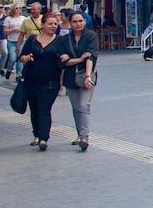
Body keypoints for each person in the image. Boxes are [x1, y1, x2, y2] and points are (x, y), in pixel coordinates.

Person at [18, 15, 63, 151]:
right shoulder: (32, 39)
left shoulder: (60, 41)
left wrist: (61, 85)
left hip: (50, 82)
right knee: (34, 109)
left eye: (55, 24)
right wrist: (25, 58)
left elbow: (63, 62)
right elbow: (22, 56)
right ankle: (36, 135)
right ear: (42, 25)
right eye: (50, 23)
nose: (53, 26)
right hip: (31, 81)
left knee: (44, 109)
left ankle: (44, 138)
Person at [59, 12, 98, 152]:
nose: (78, 24)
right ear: (70, 23)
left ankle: (84, 137)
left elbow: (91, 56)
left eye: (80, 21)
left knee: (84, 106)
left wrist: (87, 76)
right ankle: (80, 134)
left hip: (85, 76)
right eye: (75, 21)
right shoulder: (64, 40)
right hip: (70, 78)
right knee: (76, 108)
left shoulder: (90, 36)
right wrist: (79, 59)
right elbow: (62, 61)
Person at [4, 4, 24, 80]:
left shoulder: (23, 18)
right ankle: (9, 69)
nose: (18, 9)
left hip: (21, 40)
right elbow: (5, 30)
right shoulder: (8, 19)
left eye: (20, 8)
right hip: (11, 41)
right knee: (12, 58)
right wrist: (13, 29)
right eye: (16, 8)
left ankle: (18, 74)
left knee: (20, 58)